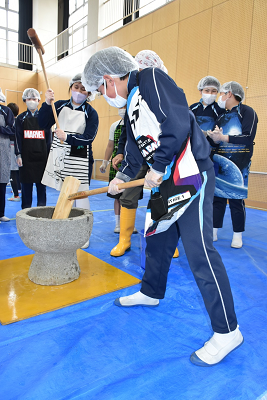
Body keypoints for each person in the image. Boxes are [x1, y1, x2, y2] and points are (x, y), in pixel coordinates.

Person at [82, 46, 243, 367]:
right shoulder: (129, 106)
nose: (102, 94)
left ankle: (228, 331)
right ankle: (151, 291)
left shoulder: (151, 79)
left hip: (191, 174)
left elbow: (177, 123)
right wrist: (122, 177)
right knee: (156, 239)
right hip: (165, 180)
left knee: (200, 253)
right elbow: (133, 149)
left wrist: (157, 167)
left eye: (100, 88)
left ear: (110, 78)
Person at [110, 49, 179, 257]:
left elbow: (173, 127)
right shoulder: (132, 96)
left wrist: (159, 166)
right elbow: (128, 133)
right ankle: (125, 239)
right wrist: (122, 163)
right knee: (128, 195)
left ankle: (165, 241)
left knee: (164, 197)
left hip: (161, 156)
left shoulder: (162, 92)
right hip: (137, 157)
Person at [38, 73, 99, 248]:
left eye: (83, 89)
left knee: (81, 195)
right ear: (71, 87)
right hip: (59, 155)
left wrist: (68, 137)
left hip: (79, 157)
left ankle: (83, 234)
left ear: (89, 94)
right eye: (76, 87)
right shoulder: (59, 105)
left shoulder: (91, 112)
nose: (79, 91)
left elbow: (89, 138)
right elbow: (42, 123)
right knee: (64, 194)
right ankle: (65, 229)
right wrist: (47, 103)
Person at [207, 81, 258, 248]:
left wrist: (224, 138)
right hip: (220, 163)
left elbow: (248, 137)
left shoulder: (247, 112)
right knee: (218, 198)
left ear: (229, 94)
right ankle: (213, 231)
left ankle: (238, 235)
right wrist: (213, 139)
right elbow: (215, 142)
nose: (220, 97)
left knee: (236, 200)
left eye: (221, 93)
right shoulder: (221, 116)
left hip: (239, 164)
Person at [15, 89, 51, 209]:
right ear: (25, 100)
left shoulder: (44, 118)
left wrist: (50, 157)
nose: (31, 101)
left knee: (42, 187)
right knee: (26, 188)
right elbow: (17, 138)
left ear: (39, 101)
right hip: (26, 159)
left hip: (42, 158)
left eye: (34, 99)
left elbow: (49, 140)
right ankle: (26, 212)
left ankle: (41, 211)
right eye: (29, 99)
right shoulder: (20, 118)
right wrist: (18, 155)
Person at [99, 106, 132, 233]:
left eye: (125, 107)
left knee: (130, 197)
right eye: (121, 107)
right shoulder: (115, 126)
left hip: (132, 165)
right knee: (117, 196)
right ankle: (118, 224)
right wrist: (104, 162)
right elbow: (110, 145)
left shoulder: (137, 124)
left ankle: (128, 224)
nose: (122, 109)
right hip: (116, 165)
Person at [0, 88, 15, 222]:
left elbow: (12, 129)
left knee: (1, 183)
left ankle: (0, 213)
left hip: (2, 150)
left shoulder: (5, 111)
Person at [7, 103, 21, 202]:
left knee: (12, 170)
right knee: (18, 170)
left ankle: (16, 195)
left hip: (12, 146)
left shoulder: (11, 122)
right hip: (19, 147)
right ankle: (18, 189)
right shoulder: (20, 121)